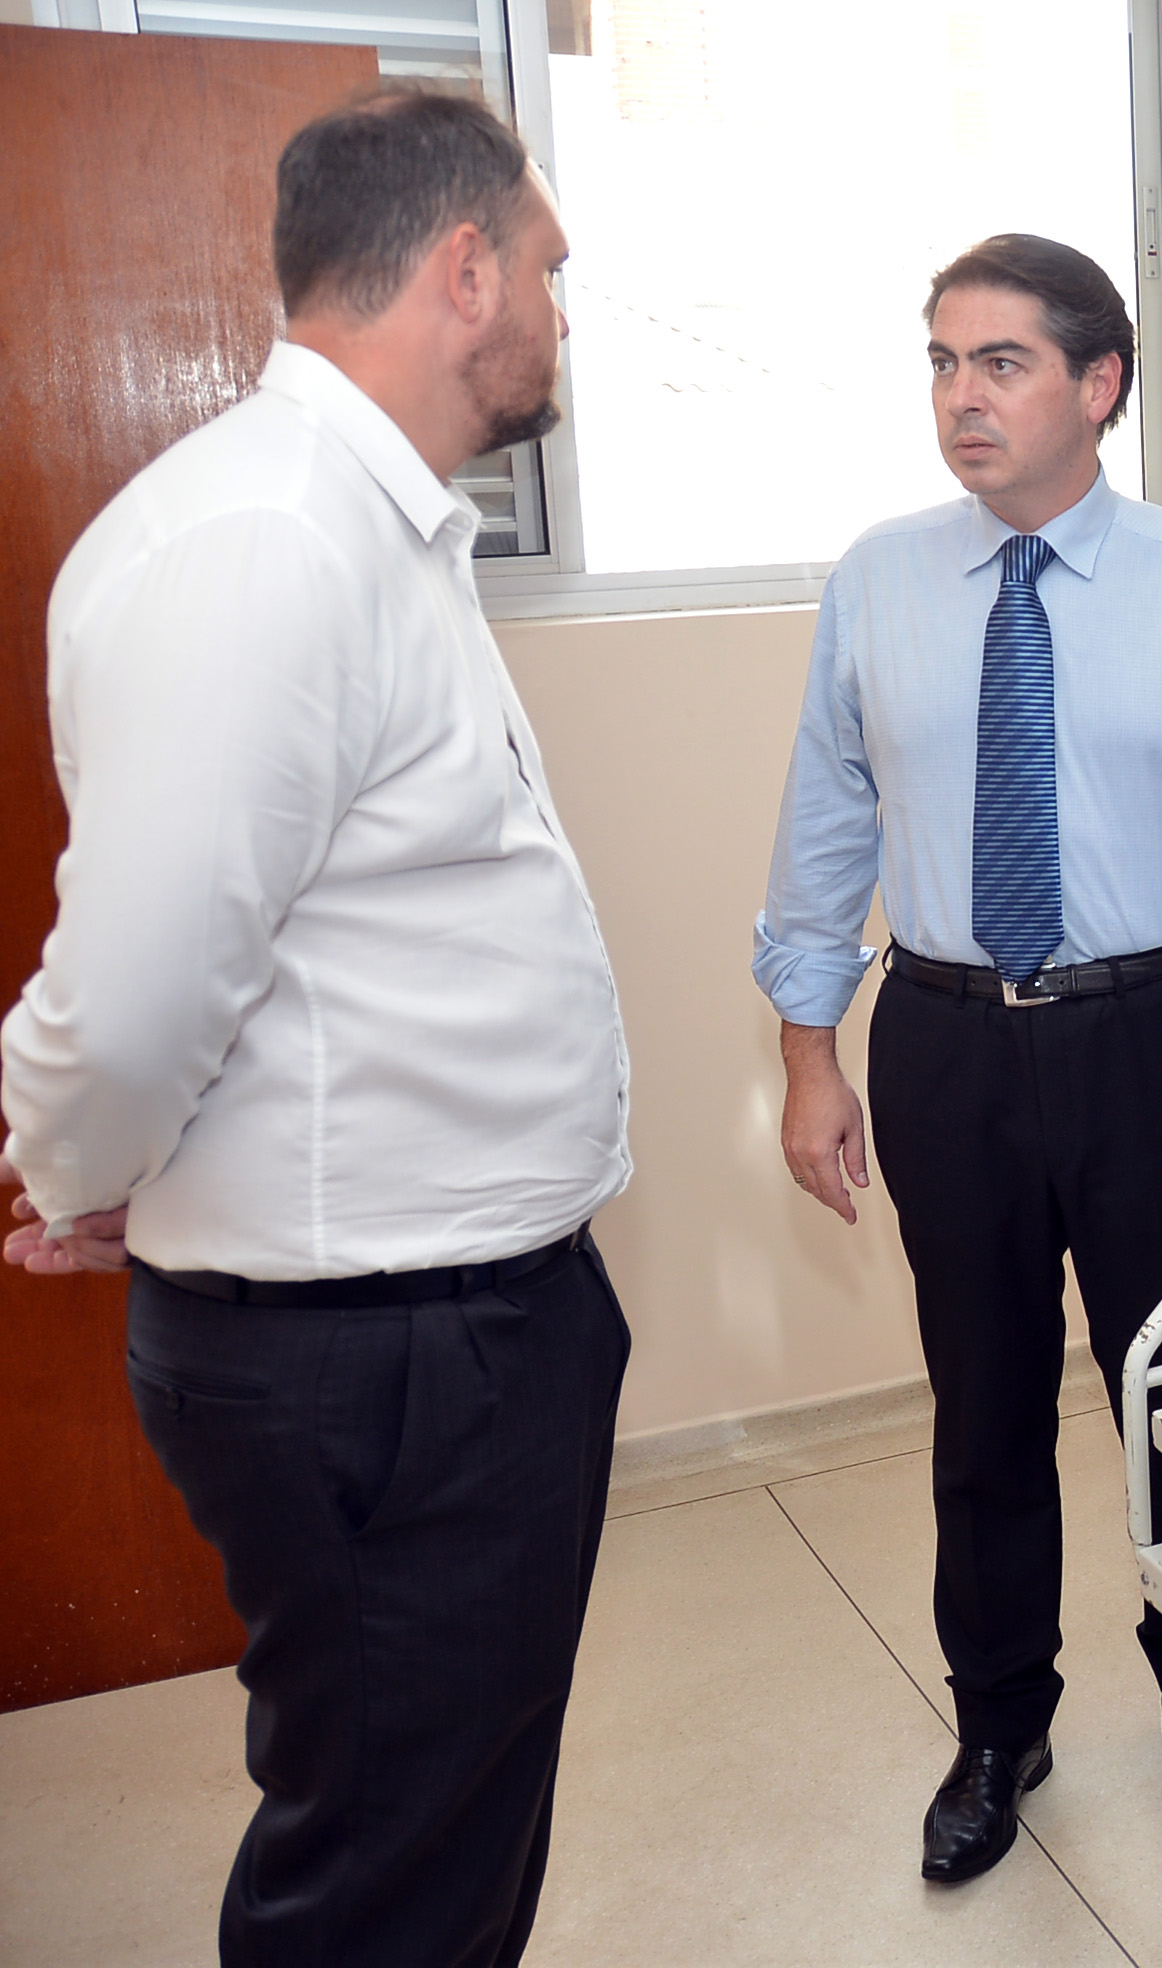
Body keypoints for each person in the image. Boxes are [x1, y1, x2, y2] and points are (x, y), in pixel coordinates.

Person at [0, 91, 631, 1966]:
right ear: (466, 271)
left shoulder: (371, 531)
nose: (562, 316)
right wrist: (78, 1169)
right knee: (381, 1880)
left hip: (443, 1329)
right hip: (388, 1361)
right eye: (551, 272)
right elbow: (132, 992)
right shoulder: (267, 541)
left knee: (432, 1833)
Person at [755, 233, 1162, 1883]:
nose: (961, 398)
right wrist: (809, 1055)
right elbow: (824, 828)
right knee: (983, 1405)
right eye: (942, 364)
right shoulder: (880, 581)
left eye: (1001, 363)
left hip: (1158, 1036)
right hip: (947, 1043)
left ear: (1100, 385)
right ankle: (998, 1723)